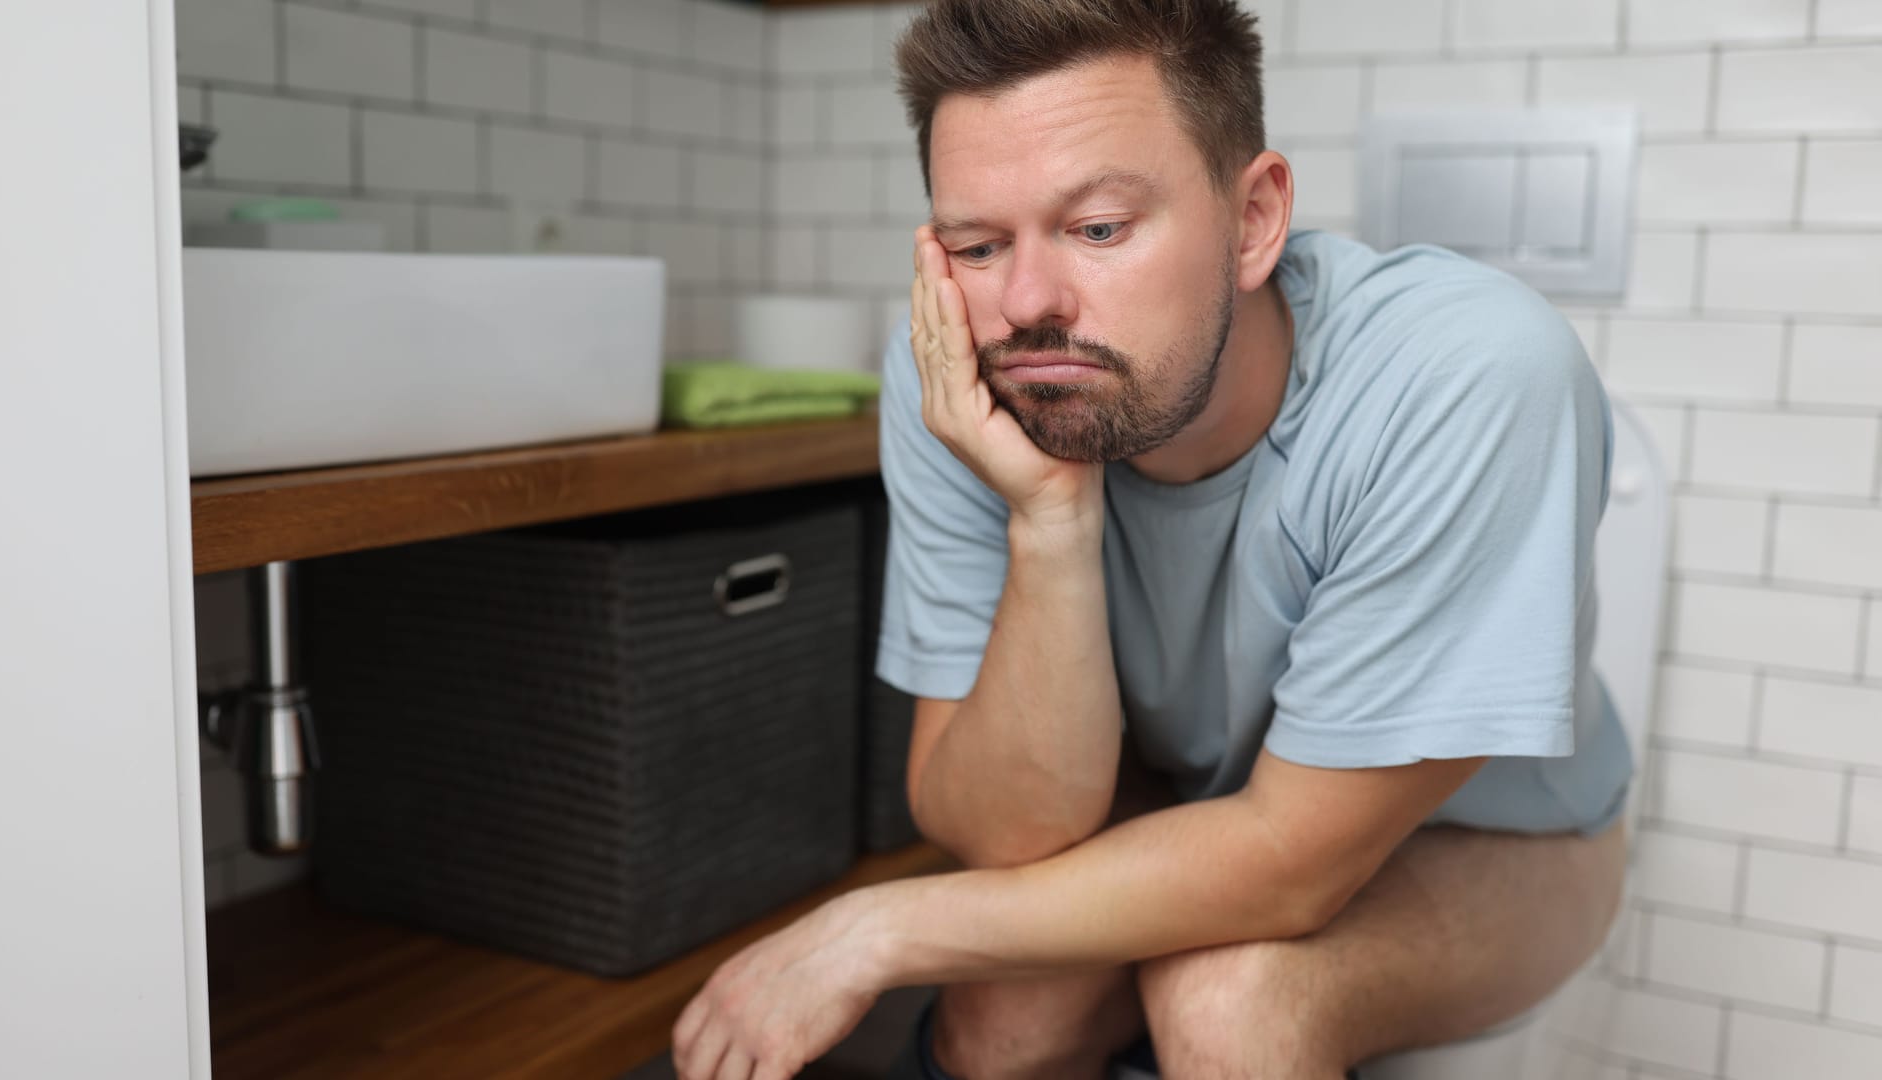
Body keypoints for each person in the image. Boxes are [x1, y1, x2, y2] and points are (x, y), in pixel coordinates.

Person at [671, 2, 1631, 1077]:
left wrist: (873, 933)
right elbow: (996, 830)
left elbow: (1288, 864)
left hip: (1486, 840)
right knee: (1004, 1028)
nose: (1028, 304)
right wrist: (1050, 515)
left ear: (1255, 219)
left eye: (1099, 230)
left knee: (1228, 1002)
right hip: (1173, 798)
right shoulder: (962, 379)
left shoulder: (1465, 377)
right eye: (978, 245)